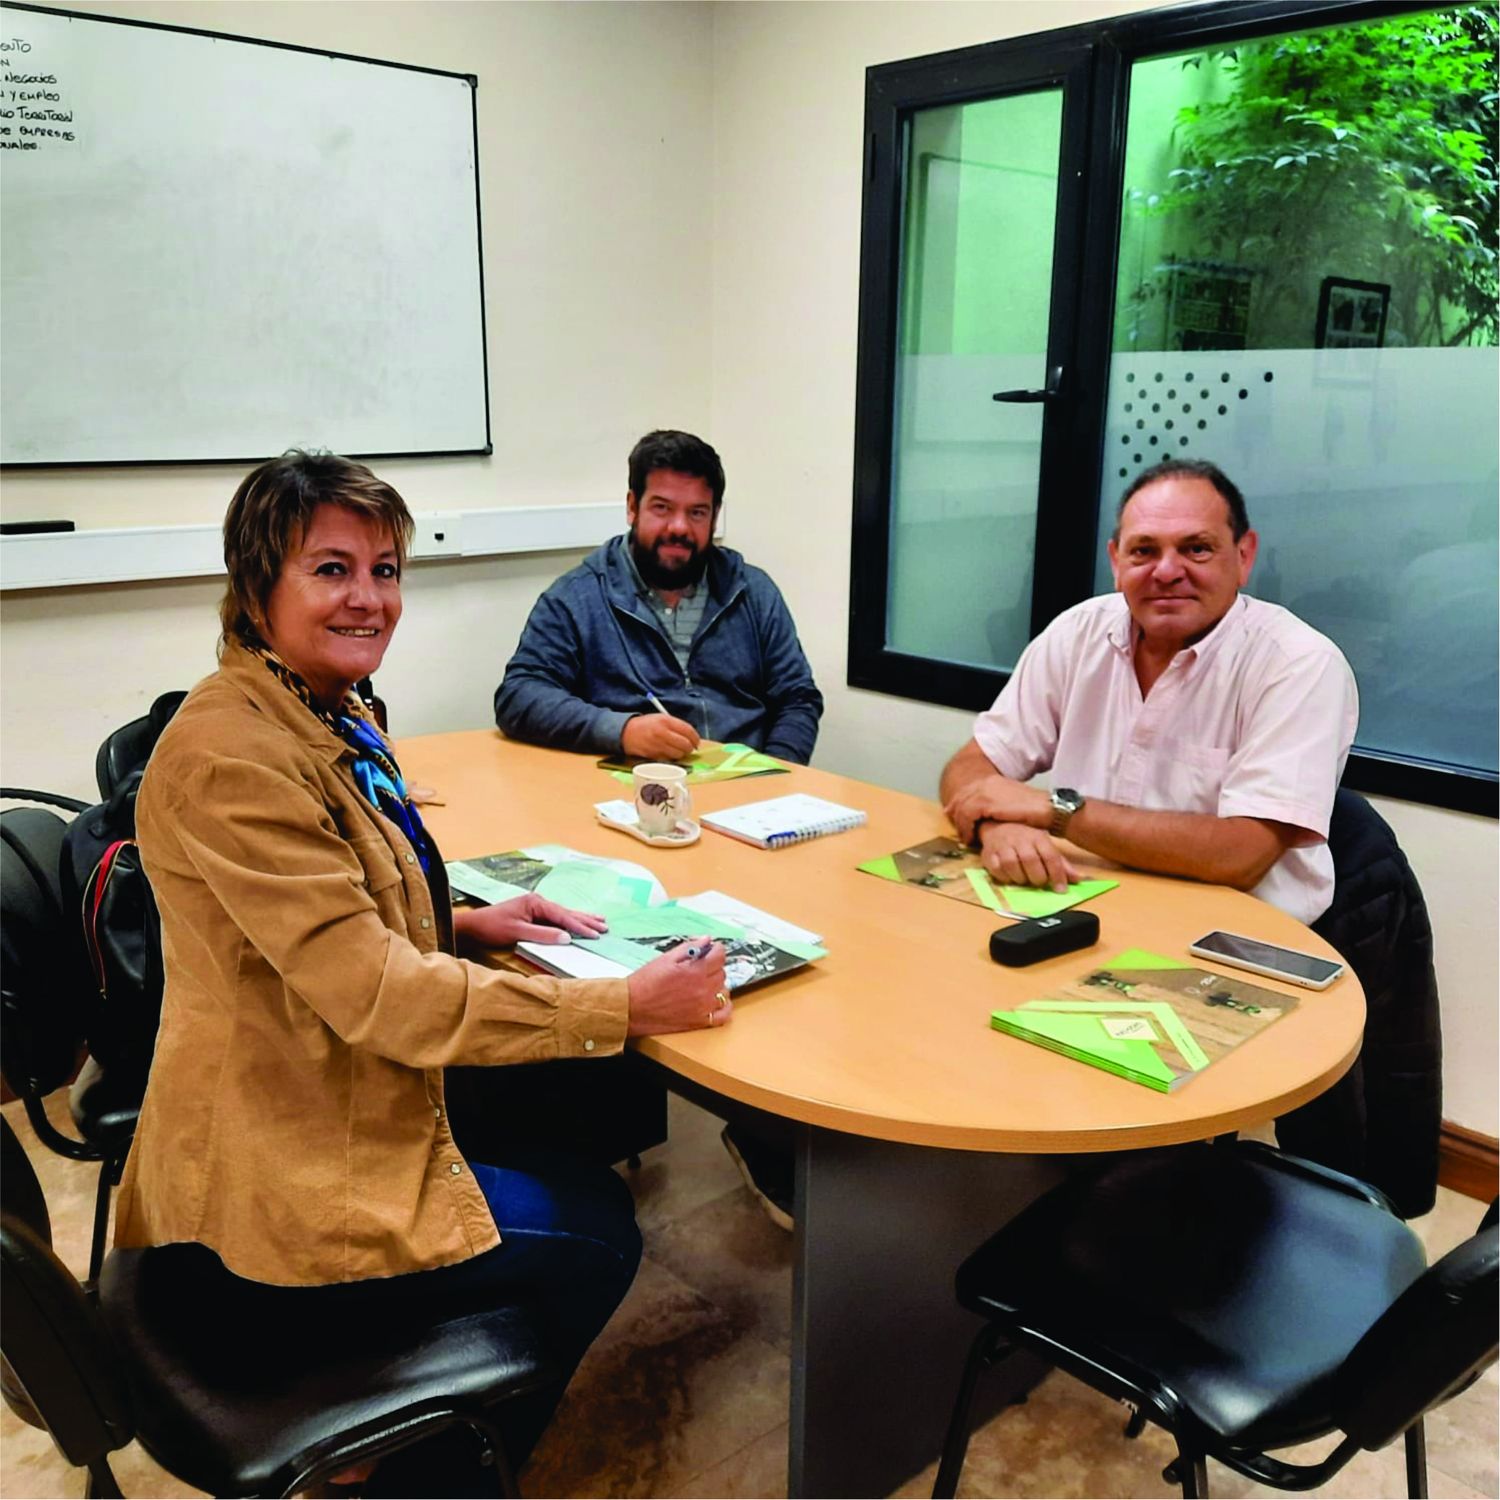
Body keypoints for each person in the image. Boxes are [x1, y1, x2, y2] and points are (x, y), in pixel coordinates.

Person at [113, 450, 731, 1493]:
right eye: (333, 569)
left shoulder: (320, 704)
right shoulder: (231, 753)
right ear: (257, 582)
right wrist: (619, 1006)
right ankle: (423, 1471)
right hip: (277, 1180)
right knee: (596, 1233)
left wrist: (471, 920)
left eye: (387, 569)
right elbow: (381, 998)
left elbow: (336, 898)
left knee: (559, 1140)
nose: (370, 598)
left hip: (313, 1099)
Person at [940, 458, 1358, 926]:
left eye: (1196, 549)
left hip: (1233, 939)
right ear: (1116, 561)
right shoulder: (1078, 633)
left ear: (1244, 556)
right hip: (1084, 907)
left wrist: (1050, 811)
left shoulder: (1298, 663)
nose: (1166, 571)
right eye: (1144, 551)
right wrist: (998, 825)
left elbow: (1241, 855)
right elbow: (972, 768)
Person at [494, 428, 823, 763]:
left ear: (714, 516)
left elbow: (798, 698)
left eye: (697, 512)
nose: (679, 527)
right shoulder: (577, 598)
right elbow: (519, 696)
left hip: (750, 796)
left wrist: (778, 774)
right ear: (632, 507)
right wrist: (621, 731)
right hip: (635, 794)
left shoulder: (753, 591)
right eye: (662, 508)